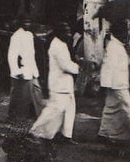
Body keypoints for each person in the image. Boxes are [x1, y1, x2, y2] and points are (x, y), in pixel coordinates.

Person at [30, 22, 81, 143]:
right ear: (59, 33)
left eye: (69, 31)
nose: (69, 34)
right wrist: (79, 68)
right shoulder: (58, 46)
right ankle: (36, 130)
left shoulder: (61, 43)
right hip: (59, 84)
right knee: (54, 110)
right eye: (66, 32)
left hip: (64, 84)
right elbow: (66, 66)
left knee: (69, 110)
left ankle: (65, 135)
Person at [97, 22, 130, 148]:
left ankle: (104, 132)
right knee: (129, 109)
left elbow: (124, 61)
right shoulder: (113, 46)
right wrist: (105, 84)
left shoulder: (118, 45)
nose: (126, 35)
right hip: (117, 83)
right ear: (117, 33)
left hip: (117, 82)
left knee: (111, 107)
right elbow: (107, 66)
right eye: (123, 32)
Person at [6, 17, 44, 153]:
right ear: (21, 24)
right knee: (20, 100)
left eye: (29, 22)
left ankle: (37, 124)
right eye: (25, 23)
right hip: (21, 73)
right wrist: (16, 71)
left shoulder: (29, 35)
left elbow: (31, 56)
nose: (28, 24)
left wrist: (35, 72)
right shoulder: (16, 36)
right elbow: (12, 55)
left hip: (31, 71)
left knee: (37, 97)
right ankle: (16, 125)